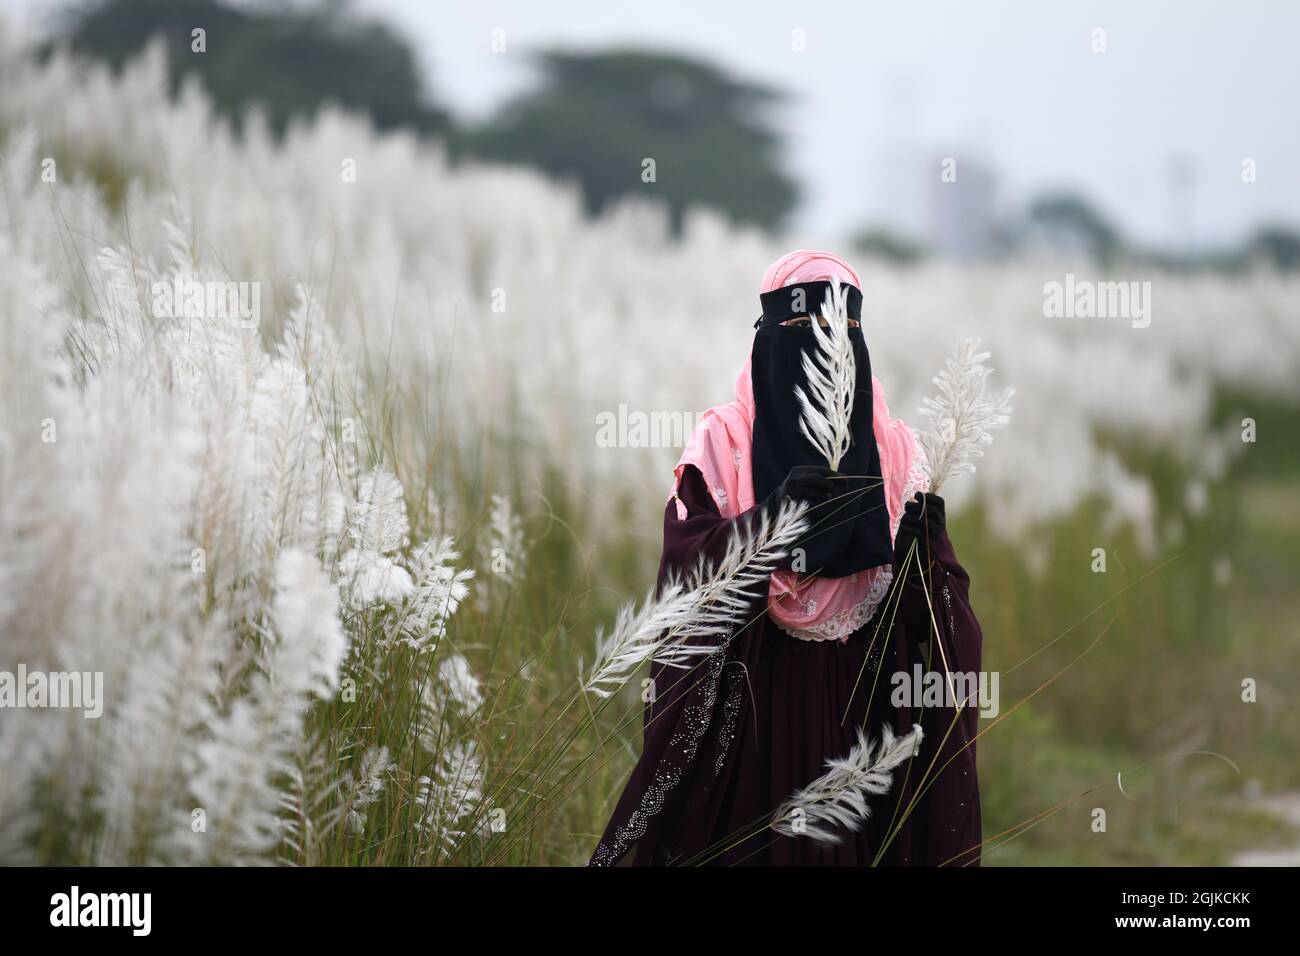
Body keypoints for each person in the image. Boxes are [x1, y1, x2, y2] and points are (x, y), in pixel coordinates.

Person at [589, 250, 982, 866]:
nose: (824, 354)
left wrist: (921, 561)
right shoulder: (724, 442)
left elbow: (936, 623)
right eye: (802, 334)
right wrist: (765, 522)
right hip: (747, 718)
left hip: (860, 717)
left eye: (843, 334)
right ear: (766, 336)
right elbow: (684, 581)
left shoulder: (897, 451)